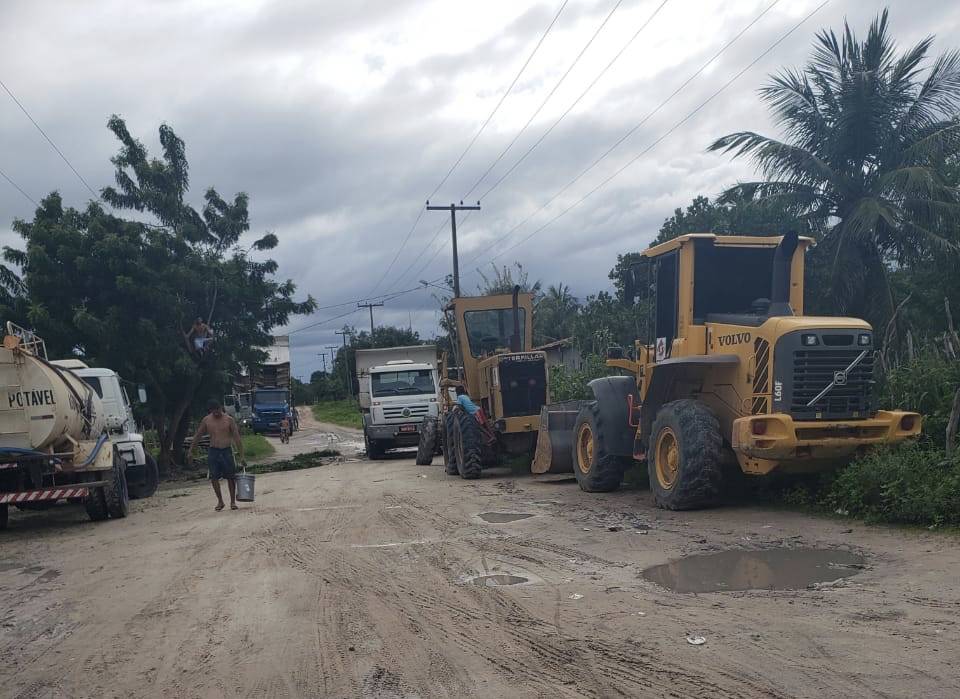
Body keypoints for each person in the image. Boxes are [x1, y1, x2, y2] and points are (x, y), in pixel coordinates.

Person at [189, 399, 246, 511]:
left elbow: (237, 438)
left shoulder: (229, 420)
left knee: (231, 476)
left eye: (218, 411)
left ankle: (232, 501)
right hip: (213, 451)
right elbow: (198, 436)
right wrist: (191, 450)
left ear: (221, 408)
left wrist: (242, 455)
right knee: (214, 477)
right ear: (210, 411)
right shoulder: (206, 420)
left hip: (227, 451)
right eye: (213, 412)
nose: (216, 413)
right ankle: (220, 501)